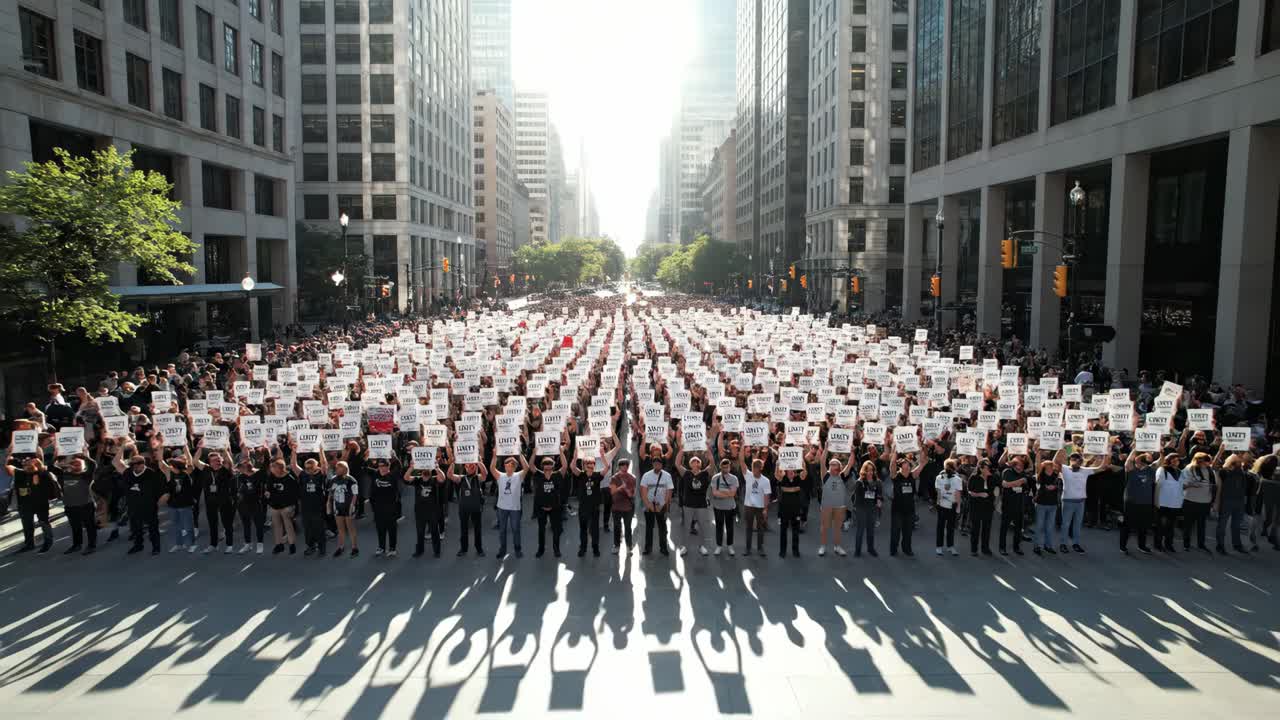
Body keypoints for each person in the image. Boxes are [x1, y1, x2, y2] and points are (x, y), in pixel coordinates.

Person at [113, 444, 163, 555]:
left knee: (153, 528)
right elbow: (116, 463)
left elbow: (160, 491)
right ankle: (138, 545)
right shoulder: (128, 472)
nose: (133, 466)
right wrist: (121, 447)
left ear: (142, 464)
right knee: (136, 528)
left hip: (149, 506)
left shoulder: (151, 474)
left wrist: (157, 503)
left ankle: (156, 547)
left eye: (136, 464)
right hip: (133, 506)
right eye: (132, 464)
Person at [6, 454, 59, 554]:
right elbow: (9, 468)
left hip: (40, 503)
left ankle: (48, 541)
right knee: (27, 525)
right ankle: (29, 544)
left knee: (43, 522)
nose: (27, 464)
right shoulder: (20, 473)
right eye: (25, 463)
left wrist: (39, 464)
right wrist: (8, 458)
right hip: (25, 505)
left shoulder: (42, 473)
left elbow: (47, 473)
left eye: (29, 462)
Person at [1059, 450, 1109, 553]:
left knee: (1077, 524)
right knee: (1066, 524)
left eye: (1078, 459)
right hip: (1068, 501)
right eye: (1073, 459)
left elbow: (1102, 467)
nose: (1076, 461)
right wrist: (1060, 450)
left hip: (1081, 502)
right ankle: (1063, 544)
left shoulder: (1085, 470)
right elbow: (1054, 462)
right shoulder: (1065, 469)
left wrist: (1105, 454)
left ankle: (1075, 544)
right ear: (1070, 460)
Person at [192, 447, 236, 554]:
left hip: (224, 501)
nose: (217, 462)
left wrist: (225, 450)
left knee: (227, 524)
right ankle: (213, 545)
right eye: (214, 460)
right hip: (210, 501)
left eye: (218, 460)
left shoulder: (225, 469)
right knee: (212, 524)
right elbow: (195, 461)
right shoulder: (206, 469)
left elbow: (229, 462)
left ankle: (229, 545)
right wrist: (201, 448)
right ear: (209, 462)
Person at [448, 447, 489, 557]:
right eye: (468, 466)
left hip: (476, 507)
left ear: (475, 467)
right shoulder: (461, 478)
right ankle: (463, 549)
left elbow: (485, 474)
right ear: (465, 467)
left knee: (477, 530)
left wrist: (479, 462)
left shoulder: (478, 477)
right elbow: (450, 475)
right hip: (464, 508)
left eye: (472, 466)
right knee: (464, 529)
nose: (470, 467)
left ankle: (479, 549)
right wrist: (452, 463)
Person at [54, 454, 98, 555]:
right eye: (73, 464)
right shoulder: (64, 474)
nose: (75, 466)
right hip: (70, 506)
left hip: (86, 505)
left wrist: (84, 457)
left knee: (90, 526)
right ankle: (77, 545)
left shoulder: (86, 475)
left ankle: (91, 545)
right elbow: (51, 467)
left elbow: (93, 464)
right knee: (75, 527)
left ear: (83, 466)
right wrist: (57, 456)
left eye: (78, 464)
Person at [157, 448, 198, 553]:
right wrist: (161, 447)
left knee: (188, 526)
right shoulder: (169, 474)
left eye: (171, 465)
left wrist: (185, 447)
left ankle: (192, 544)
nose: (169, 467)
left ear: (176, 467)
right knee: (176, 526)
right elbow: (160, 462)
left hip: (185, 504)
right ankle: (179, 544)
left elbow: (190, 461)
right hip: (173, 504)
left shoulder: (186, 473)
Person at [673, 447, 712, 557]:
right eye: (693, 461)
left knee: (702, 526)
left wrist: (707, 448)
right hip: (688, 504)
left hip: (701, 504)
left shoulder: (705, 473)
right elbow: (677, 463)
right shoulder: (686, 473)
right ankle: (685, 546)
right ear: (690, 464)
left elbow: (712, 462)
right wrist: (682, 448)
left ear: (700, 464)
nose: (695, 462)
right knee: (686, 526)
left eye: (697, 461)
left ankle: (702, 546)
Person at [491, 452, 529, 559]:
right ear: (504, 466)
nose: (509, 467)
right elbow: (492, 468)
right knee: (502, 530)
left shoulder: (519, 476)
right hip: (502, 508)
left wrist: (520, 454)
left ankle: (517, 549)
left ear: (515, 467)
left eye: (512, 465)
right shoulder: (500, 476)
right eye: (507, 465)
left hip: (515, 509)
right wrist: (494, 456)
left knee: (516, 529)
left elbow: (526, 467)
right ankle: (502, 550)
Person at [292, 449, 330, 557]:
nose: (308, 469)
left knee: (319, 528)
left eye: (310, 467)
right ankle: (310, 546)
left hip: (318, 506)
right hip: (305, 506)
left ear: (316, 466)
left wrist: (321, 451)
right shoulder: (303, 474)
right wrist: (294, 451)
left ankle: (322, 548)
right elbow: (293, 465)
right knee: (308, 528)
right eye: (306, 467)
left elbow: (324, 464)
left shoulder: (321, 474)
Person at [262, 452, 300, 555]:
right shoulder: (271, 477)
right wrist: (267, 493)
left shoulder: (290, 478)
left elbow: (295, 494)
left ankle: (292, 545)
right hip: (275, 505)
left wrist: (291, 507)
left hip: (287, 505)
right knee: (276, 525)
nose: (271, 470)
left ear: (279, 468)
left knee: (287, 523)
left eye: (273, 468)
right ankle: (279, 545)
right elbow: (268, 488)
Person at [571, 448, 607, 557]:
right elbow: (572, 467)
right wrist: (575, 456)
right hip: (583, 507)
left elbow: (607, 467)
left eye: (592, 463)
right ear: (584, 465)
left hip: (594, 508)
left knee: (595, 529)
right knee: (583, 529)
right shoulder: (581, 475)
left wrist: (602, 455)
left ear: (594, 465)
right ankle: (583, 548)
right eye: (587, 463)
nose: (589, 464)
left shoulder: (597, 475)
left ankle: (595, 548)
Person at [888, 453, 925, 557]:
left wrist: (921, 448)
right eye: (905, 464)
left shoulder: (912, 475)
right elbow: (892, 465)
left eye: (908, 464)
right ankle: (893, 549)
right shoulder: (896, 476)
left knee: (908, 532)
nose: (908, 466)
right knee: (895, 532)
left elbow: (922, 464)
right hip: (897, 509)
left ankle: (907, 549)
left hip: (910, 509)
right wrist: (894, 452)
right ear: (901, 467)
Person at [407, 461, 446, 558]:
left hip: (432, 511)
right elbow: (406, 478)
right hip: (420, 511)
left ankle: (437, 552)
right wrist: (411, 468)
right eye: (424, 469)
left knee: (434, 532)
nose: (425, 470)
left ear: (430, 469)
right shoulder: (417, 480)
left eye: (427, 468)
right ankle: (419, 551)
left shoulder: (434, 479)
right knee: (420, 532)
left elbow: (443, 478)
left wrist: (437, 468)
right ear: (421, 470)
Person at [531, 450, 567, 558]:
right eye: (546, 466)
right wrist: (534, 452)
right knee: (541, 530)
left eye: (550, 466)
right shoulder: (538, 475)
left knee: (556, 530)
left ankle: (556, 549)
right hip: (541, 508)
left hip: (555, 508)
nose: (548, 469)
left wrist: (561, 452)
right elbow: (531, 465)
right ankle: (541, 549)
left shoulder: (557, 475)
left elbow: (565, 466)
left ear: (553, 466)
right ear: (543, 467)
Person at [1120, 450, 1156, 554]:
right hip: (1131, 502)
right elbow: (1128, 461)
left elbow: (1159, 463)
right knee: (1127, 525)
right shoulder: (1131, 470)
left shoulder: (1150, 470)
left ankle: (1142, 546)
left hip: (1146, 502)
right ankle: (1123, 546)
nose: (1138, 460)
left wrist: (1162, 453)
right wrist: (1135, 448)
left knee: (1143, 526)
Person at [1179, 451, 1215, 551]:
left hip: (1205, 502)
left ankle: (1201, 544)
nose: (1207, 463)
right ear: (1198, 461)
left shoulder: (1210, 470)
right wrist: (1192, 484)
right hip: (1191, 500)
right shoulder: (1189, 469)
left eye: (1208, 461)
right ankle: (1186, 544)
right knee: (1188, 524)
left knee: (1202, 525)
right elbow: (1182, 485)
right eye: (1205, 461)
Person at [1215, 454, 1251, 554]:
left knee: (1236, 525)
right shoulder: (1224, 472)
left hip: (1239, 502)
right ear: (1231, 462)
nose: (1239, 463)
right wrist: (1217, 502)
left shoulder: (1242, 473)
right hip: (1226, 501)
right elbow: (1219, 488)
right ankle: (1220, 545)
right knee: (1222, 524)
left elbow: (1244, 488)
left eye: (1240, 461)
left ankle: (1237, 545)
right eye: (1236, 462)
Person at [639, 455, 675, 556]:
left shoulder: (667, 476)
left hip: (662, 506)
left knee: (662, 528)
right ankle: (648, 548)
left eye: (658, 464)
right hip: (648, 506)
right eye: (655, 464)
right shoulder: (646, 475)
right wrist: (649, 505)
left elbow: (669, 491)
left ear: (662, 465)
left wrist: (662, 505)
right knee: (649, 528)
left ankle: (663, 548)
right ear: (652, 464)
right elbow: (643, 492)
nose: (657, 465)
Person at [775, 459, 809, 559]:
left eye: (793, 471)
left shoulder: (799, 478)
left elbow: (804, 473)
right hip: (784, 510)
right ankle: (782, 551)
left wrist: (803, 464)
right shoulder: (783, 478)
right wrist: (777, 465)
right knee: (783, 531)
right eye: (789, 471)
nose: (791, 472)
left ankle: (795, 550)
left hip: (796, 510)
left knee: (795, 531)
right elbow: (777, 474)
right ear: (786, 471)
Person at [368, 459, 401, 557]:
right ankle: (381, 547)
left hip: (391, 507)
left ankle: (392, 548)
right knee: (380, 528)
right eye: (379, 466)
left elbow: (399, 467)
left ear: (388, 466)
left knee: (391, 528)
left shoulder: (393, 476)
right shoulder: (375, 474)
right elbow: (364, 467)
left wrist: (393, 456)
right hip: (378, 507)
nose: (381, 468)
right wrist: (368, 457)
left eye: (383, 466)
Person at [999, 455, 1031, 556]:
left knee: (1018, 528)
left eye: (1022, 464)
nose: (1020, 466)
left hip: (1019, 504)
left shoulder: (1023, 474)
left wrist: (1021, 484)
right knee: (1004, 527)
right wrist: (1019, 482)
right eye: (1018, 463)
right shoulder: (1007, 472)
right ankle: (1002, 548)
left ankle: (1016, 547)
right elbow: (1005, 484)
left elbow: (1026, 488)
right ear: (1014, 464)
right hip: (1008, 504)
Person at [327, 460, 360, 557]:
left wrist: (352, 506)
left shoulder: (351, 480)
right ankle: (341, 546)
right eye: (336, 468)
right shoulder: (333, 479)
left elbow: (355, 494)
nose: (336, 469)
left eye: (338, 467)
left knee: (350, 528)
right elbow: (330, 493)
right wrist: (328, 504)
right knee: (340, 528)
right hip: (338, 506)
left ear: (344, 469)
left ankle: (354, 547)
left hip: (348, 506)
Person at [740, 457, 772, 557]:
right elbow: (741, 461)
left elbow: (767, 496)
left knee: (760, 528)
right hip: (748, 506)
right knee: (748, 528)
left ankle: (760, 548)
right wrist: (743, 446)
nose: (754, 469)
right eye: (753, 467)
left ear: (760, 468)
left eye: (756, 467)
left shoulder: (765, 481)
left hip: (760, 507)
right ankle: (748, 548)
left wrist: (766, 509)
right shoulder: (748, 475)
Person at [234, 457, 267, 554]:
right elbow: (238, 489)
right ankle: (247, 545)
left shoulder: (258, 474)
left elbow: (265, 464)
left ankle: (260, 545)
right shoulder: (240, 477)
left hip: (257, 503)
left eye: (243, 466)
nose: (241, 468)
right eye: (241, 466)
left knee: (259, 525)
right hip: (244, 504)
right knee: (246, 525)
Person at [1153, 453, 1184, 552]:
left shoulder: (1180, 472)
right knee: (1160, 526)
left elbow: (1181, 487)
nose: (1176, 462)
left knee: (1170, 526)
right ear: (1168, 460)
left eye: (1177, 460)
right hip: (1162, 503)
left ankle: (1169, 544)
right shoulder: (1162, 470)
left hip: (1175, 504)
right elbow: (1157, 486)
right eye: (1173, 460)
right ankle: (1158, 544)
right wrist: (1156, 501)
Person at [709, 458, 740, 556]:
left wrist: (721, 492)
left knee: (730, 527)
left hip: (730, 507)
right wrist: (728, 493)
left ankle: (730, 546)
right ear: (720, 467)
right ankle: (719, 546)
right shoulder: (715, 478)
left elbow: (733, 493)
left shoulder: (734, 478)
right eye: (724, 467)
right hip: (718, 507)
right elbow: (714, 493)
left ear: (730, 467)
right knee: (719, 527)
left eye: (727, 467)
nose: (725, 469)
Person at [851, 460, 881, 558]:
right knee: (860, 530)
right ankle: (857, 550)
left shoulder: (877, 482)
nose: (870, 472)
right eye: (868, 470)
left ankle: (871, 549)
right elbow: (857, 498)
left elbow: (879, 495)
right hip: (861, 508)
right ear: (864, 471)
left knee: (871, 530)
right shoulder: (859, 482)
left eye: (872, 470)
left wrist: (879, 500)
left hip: (872, 508)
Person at [935, 458, 965, 556]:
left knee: (951, 527)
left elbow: (958, 493)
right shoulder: (939, 478)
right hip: (942, 505)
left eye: (950, 468)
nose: (948, 469)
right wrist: (938, 503)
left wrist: (958, 507)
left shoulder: (957, 479)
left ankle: (950, 546)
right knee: (940, 526)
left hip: (952, 505)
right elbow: (939, 491)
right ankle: (939, 546)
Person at [967, 459, 998, 556]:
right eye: (985, 468)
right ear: (980, 468)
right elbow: (969, 491)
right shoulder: (974, 477)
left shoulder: (992, 477)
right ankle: (974, 549)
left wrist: (996, 492)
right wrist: (979, 494)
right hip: (976, 506)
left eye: (988, 468)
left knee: (987, 528)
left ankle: (985, 548)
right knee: (975, 528)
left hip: (988, 506)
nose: (987, 469)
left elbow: (998, 486)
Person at [1032, 459, 1061, 555]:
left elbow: (1059, 486)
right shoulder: (1040, 476)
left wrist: (1055, 487)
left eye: (1051, 467)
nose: (1050, 469)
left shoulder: (1056, 476)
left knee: (1049, 527)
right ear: (1044, 468)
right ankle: (1037, 546)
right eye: (1048, 467)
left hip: (1053, 504)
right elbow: (1039, 484)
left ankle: (1048, 546)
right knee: (1039, 526)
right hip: (1041, 503)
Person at [609, 458, 637, 553]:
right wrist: (621, 487)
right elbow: (612, 492)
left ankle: (629, 546)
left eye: (626, 465)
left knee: (628, 527)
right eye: (622, 465)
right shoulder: (614, 478)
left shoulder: (632, 478)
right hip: (616, 506)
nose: (624, 467)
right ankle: (616, 545)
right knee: (617, 527)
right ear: (619, 466)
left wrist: (627, 490)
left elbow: (631, 495)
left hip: (628, 507)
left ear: (628, 467)